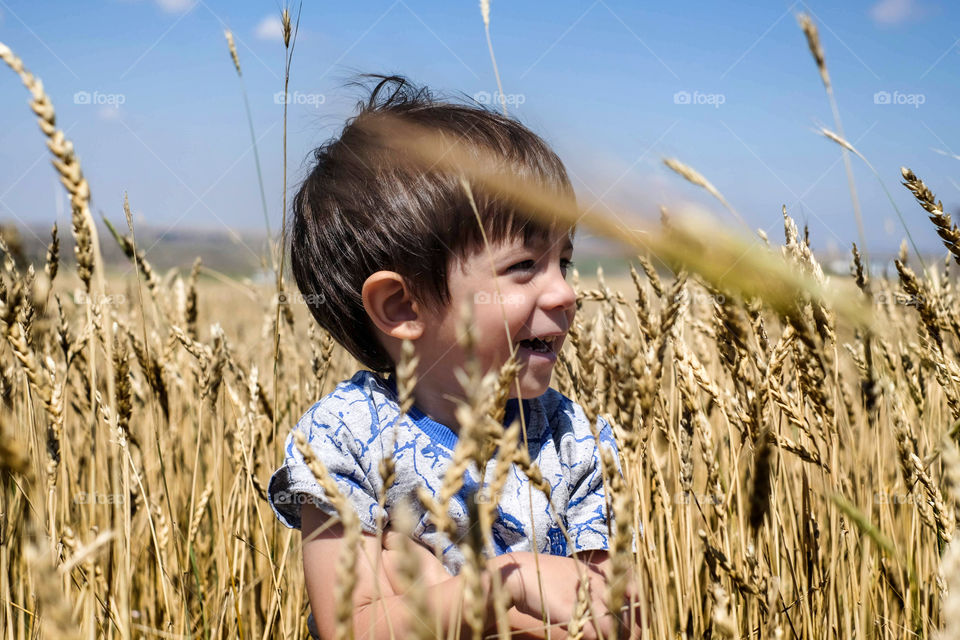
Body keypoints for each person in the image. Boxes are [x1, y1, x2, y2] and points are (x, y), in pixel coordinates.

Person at [267, 74, 637, 640]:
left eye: (564, 260)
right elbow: (355, 628)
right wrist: (511, 583)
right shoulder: (344, 442)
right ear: (401, 305)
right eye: (523, 267)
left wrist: (442, 596)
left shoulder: (573, 439)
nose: (566, 292)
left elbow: (620, 623)